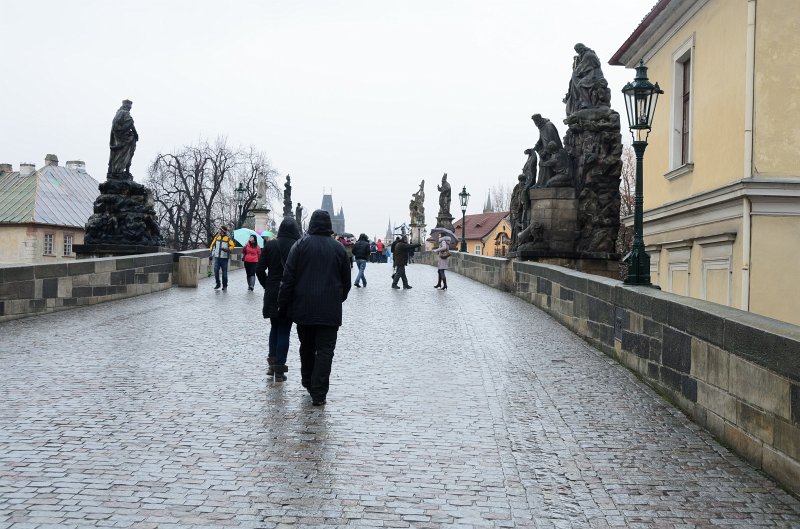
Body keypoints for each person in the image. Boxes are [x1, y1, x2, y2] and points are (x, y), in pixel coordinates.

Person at [278, 210, 351, 406]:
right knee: (325, 351)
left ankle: (308, 381)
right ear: (330, 225)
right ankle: (319, 393)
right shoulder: (339, 249)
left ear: (311, 224)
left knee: (307, 347)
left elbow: (288, 279)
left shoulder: (300, 245)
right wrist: (337, 299)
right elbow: (347, 282)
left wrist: (283, 304)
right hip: (330, 310)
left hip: (304, 309)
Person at [256, 217, 301, 381]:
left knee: (274, 328)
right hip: (289, 293)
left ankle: (271, 364)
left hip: (272, 291)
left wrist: (267, 285)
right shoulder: (298, 246)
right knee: (284, 330)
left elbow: (259, 269)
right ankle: (280, 371)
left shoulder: (271, 244)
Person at [107, 99, 138, 178]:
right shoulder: (124, 113)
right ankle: (118, 171)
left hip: (118, 137)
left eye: (130, 106)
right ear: (125, 106)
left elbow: (115, 127)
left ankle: (116, 170)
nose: (130, 108)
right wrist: (135, 133)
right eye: (129, 106)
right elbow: (130, 123)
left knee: (118, 154)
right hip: (124, 138)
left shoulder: (118, 113)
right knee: (125, 154)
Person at [209, 226, 234, 290]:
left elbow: (232, 245)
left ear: (223, 231)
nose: (219, 231)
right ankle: (218, 284)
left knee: (224, 273)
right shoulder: (217, 237)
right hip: (217, 257)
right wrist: (211, 254)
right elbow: (212, 246)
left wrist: (227, 249)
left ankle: (225, 285)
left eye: (220, 230)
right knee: (216, 271)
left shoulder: (228, 238)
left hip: (224, 258)